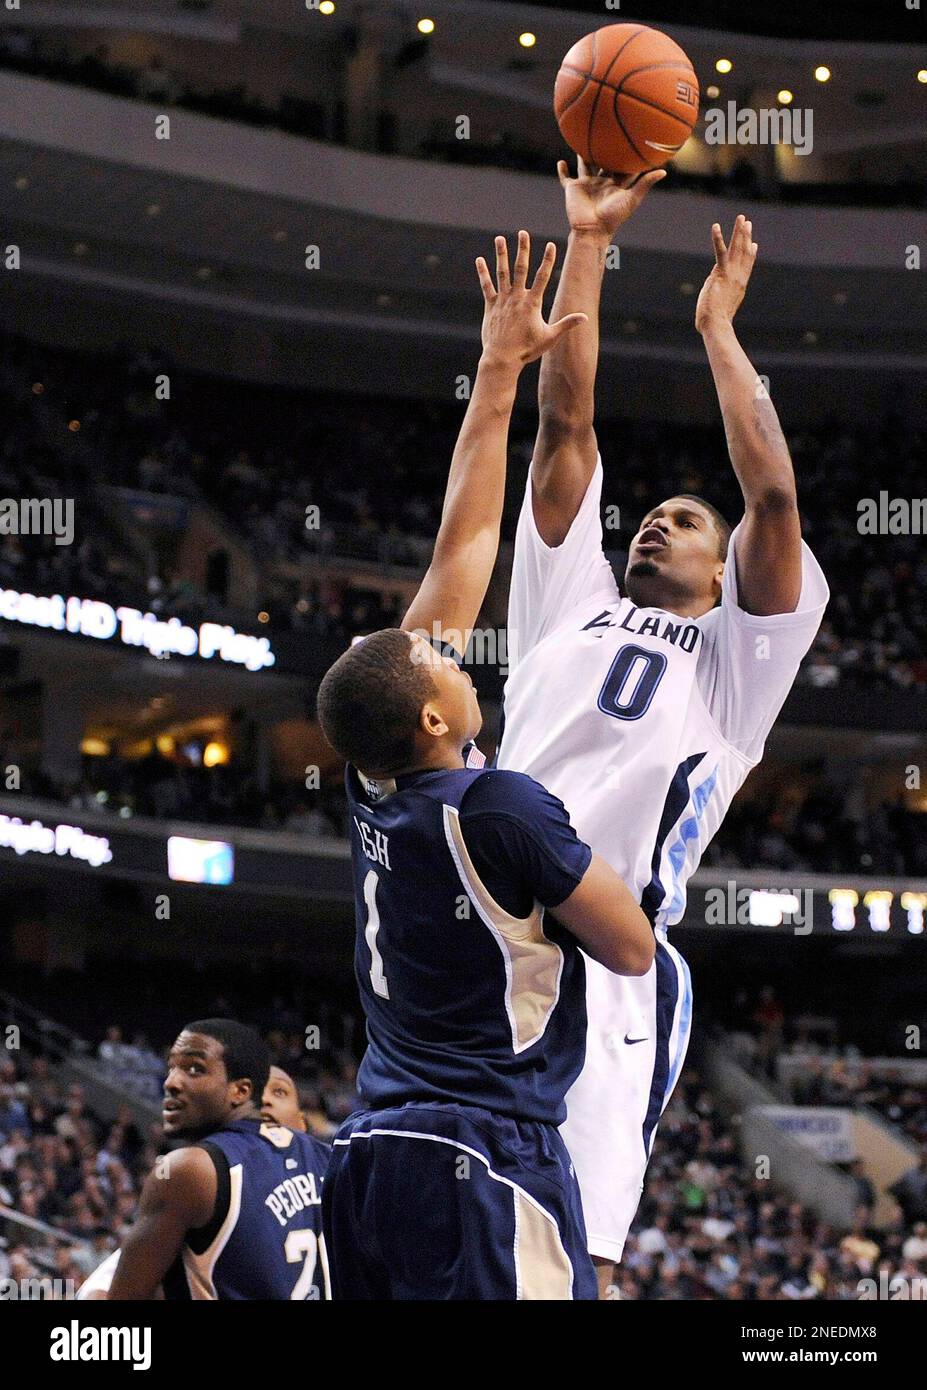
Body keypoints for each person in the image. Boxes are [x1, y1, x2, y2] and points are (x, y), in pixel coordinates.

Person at [495, 162, 829, 1292]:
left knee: (571, 1256)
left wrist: (717, 331)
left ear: (721, 562)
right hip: (482, 922)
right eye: (647, 516)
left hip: (611, 957)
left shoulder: (740, 666)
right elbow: (565, 422)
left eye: (684, 520)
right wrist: (588, 241)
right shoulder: (568, 602)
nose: (655, 525)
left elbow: (774, 503)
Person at [317, 232, 653, 1300]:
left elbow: (463, 545)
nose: (444, 637)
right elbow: (633, 945)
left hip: (371, 1153)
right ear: (430, 712)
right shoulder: (500, 804)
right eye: (432, 652)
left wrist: (500, 367)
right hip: (484, 1151)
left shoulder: (384, 785)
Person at [105, 1023, 330, 1300]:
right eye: (171, 1067)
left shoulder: (190, 1170)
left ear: (241, 1091)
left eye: (195, 1069)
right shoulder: (328, 1159)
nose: (171, 1082)